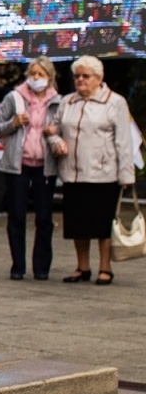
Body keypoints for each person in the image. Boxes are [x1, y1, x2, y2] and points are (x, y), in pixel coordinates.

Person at [49, 55, 136, 286]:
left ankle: (105, 267)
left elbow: (124, 141)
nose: (80, 80)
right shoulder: (67, 102)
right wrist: (56, 142)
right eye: (77, 76)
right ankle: (82, 266)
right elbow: (52, 130)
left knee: (102, 224)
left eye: (85, 76)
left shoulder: (115, 102)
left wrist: (126, 175)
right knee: (78, 224)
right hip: (73, 173)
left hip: (103, 174)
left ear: (98, 78)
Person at [0, 57, 59, 280]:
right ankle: (18, 266)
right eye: (32, 74)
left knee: (44, 218)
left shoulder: (58, 102)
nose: (35, 78)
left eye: (40, 74)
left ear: (49, 78)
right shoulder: (14, 97)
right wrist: (13, 124)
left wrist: (55, 132)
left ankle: (42, 268)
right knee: (17, 216)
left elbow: (64, 128)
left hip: (45, 167)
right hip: (18, 166)